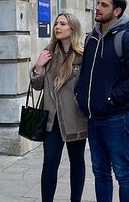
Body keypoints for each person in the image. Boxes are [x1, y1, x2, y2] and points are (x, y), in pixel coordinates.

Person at [74, 0, 129, 202]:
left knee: (122, 173)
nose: (98, 8)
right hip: (93, 118)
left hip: (116, 118)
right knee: (100, 172)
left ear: (117, 11)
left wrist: (111, 98)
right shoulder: (91, 38)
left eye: (104, 5)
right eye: (98, 3)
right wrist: (79, 94)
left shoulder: (126, 39)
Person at [30, 13, 87, 202]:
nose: (57, 27)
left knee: (77, 163)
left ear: (72, 28)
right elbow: (37, 86)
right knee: (49, 164)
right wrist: (38, 66)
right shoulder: (48, 52)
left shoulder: (82, 55)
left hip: (75, 118)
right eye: (56, 23)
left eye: (63, 24)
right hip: (52, 120)